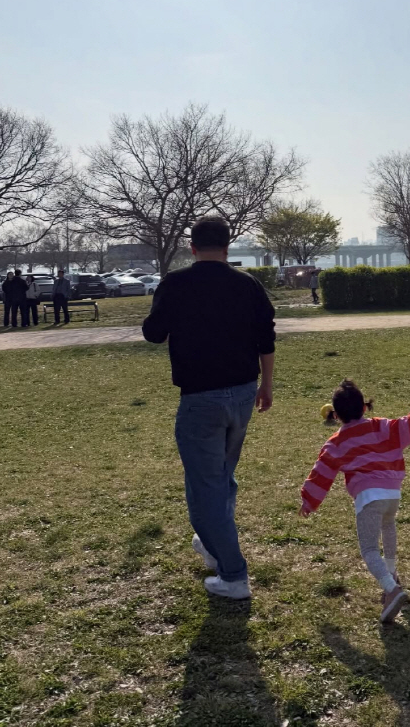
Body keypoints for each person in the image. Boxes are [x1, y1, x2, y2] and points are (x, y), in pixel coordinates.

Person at [142, 215, 276, 600]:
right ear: (229, 247)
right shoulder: (248, 284)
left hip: (201, 399)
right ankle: (214, 544)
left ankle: (233, 574)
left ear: (192, 247)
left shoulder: (176, 284)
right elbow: (265, 339)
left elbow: (154, 334)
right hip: (243, 392)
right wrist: (266, 385)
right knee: (222, 477)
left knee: (205, 489)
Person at [300, 379, 410, 623]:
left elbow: (321, 473)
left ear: (337, 415)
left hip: (369, 498)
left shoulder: (336, 443)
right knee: (388, 526)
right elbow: (408, 425)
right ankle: (392, 575)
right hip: (392, 494)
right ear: (364, 408)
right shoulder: (383, 427)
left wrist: (309, 501)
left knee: (369, 549)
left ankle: (391, 589)